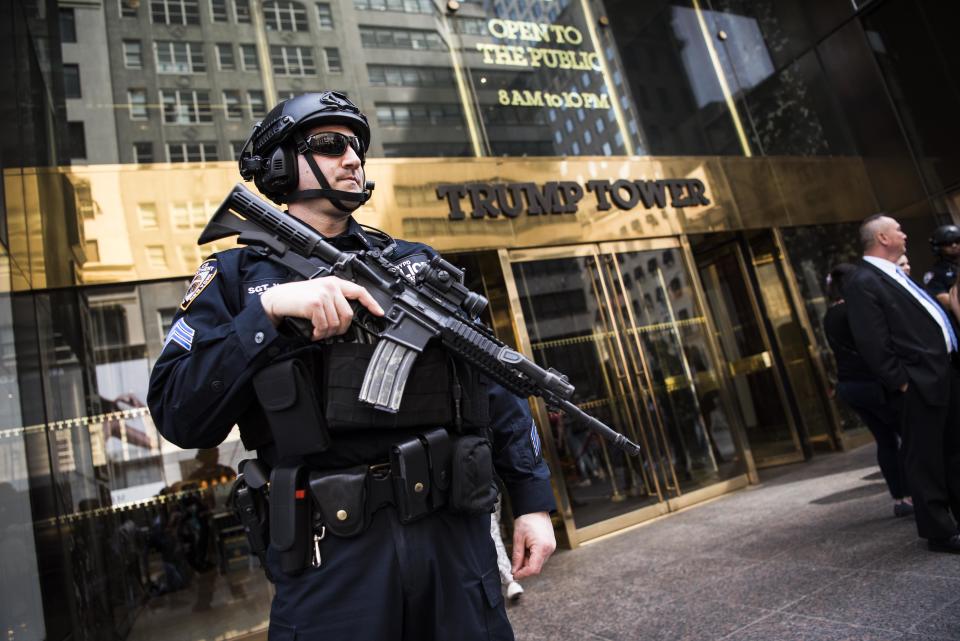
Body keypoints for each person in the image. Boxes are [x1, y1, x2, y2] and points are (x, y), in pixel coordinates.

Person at [147, 91, 557, 639]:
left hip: (453, 542)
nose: (353, 158)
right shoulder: (235, 278)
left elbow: (492, 382)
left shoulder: (414, 265)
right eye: (330, 144)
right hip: (330, 558)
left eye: (357, 146)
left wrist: (532, 500)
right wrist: (267, 313)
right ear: (279, 162)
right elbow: (178, 412)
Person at [845, 214, 960, 554]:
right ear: (882, 237)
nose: (905, 234)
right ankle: (939, 532)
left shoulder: (895, 273)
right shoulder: (863, 280)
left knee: (953, 452)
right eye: (898, 230)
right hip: (918, 382)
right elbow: (872, 341)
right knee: (924, 458)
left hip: (944, 373)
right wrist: (902, 382)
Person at [823, 263, 912, 517]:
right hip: (873, 384)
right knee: (907, 434)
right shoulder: (853, 311)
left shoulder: (830, 315)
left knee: (885, 441)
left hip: (851, 386)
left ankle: (901, 497)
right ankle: (918, 493)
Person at [922, 223, 960, 309]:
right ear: (938, 247)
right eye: (948, 243)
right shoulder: (935, 273)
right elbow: (943, 299)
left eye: (957, 241)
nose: (954, 245)